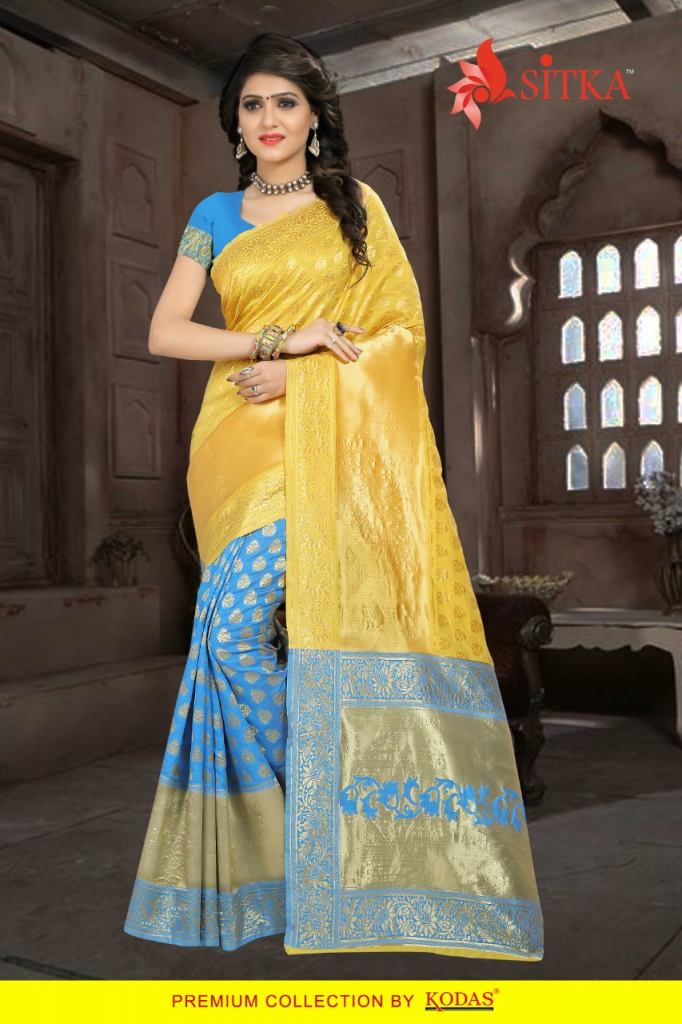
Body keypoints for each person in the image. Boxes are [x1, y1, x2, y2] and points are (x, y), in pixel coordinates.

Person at [123, 30, 544, 961]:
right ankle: (336, 812)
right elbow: (165, 333)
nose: (267, 119)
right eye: (252, 105)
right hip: (233, 442)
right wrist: (278, 342)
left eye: (285, 102)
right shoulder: (212, 214)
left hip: (326, 438)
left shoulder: (355, 206)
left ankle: (341, 815)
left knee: (247, 632)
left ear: (314, 117)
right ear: (236, 123)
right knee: (229, 635)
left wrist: (306, 375)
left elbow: (400, 335)